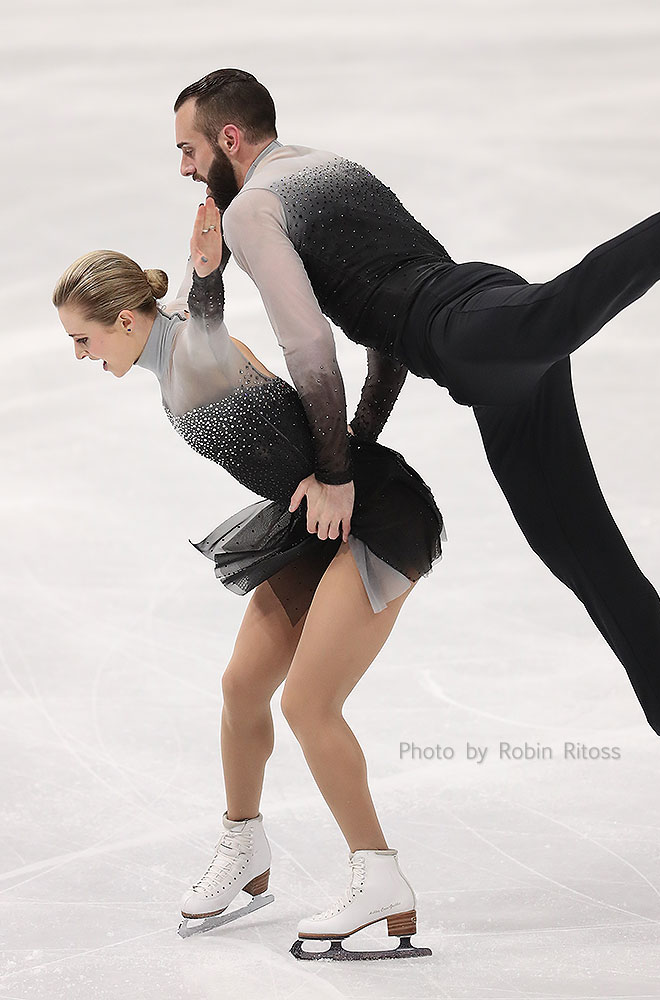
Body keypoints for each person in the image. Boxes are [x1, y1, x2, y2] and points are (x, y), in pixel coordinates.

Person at [171, 68, 660, 842]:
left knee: (554, 314)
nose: (186, 169)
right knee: (581, 552)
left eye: (190, 150)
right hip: (479, 312)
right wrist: (358, 441)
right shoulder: (325, 166)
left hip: (468, 333)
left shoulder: (251, 211)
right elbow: (381, 332)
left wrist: (335, 472)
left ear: (230, 138)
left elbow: (308, 347)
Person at [52, 198, 440, 960]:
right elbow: (194, 314)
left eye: (82, 339)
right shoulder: (169, 347)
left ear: (124, 321)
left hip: (378, 517)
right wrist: (202, 268)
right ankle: (245, 846)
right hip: (313, 520)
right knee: (242, 687)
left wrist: (208, 273)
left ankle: (381, 876)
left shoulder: (192, 348)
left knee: (308, 704)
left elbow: (204, 315)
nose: (80, 354)